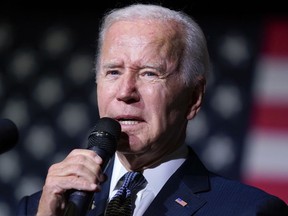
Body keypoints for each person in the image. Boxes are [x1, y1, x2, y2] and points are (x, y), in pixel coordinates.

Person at [17, 3, 288, 216]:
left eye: (149, 74)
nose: (125, 92)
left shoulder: (246, 211)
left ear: (194, 97)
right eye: (113, 71)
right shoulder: (39, 208)